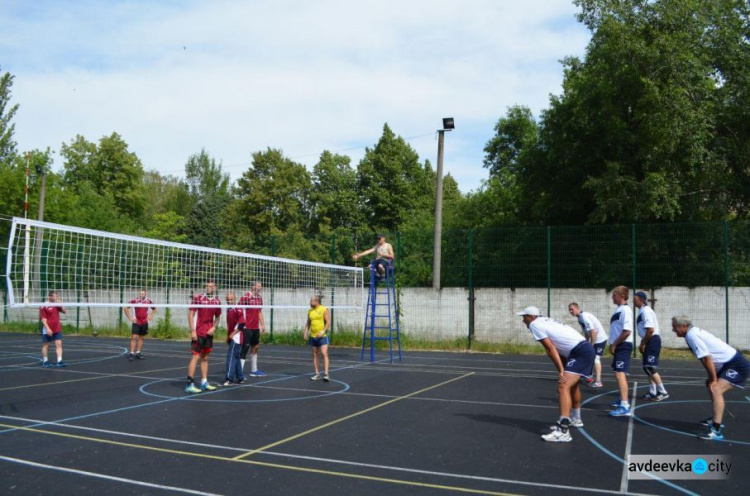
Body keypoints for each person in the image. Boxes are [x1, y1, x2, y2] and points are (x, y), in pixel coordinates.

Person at [518, 306, 595, 442]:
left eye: (524, 317)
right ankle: (575, 419)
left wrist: (560, 371)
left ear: (531, 317)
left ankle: (563, 431)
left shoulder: (535, 325)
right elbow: (558, 348)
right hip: (581, 350)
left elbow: (550, 348)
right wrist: (563, 368)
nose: (523, 320)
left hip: (580, 352)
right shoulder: (545, 320)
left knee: (563, 386)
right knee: (572, 385)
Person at [672, 315, 749, 440]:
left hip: (737, 365)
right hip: (727, 364)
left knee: (716, 389)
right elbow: (704, 358)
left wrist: (713, 379)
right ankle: (715, 418)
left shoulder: (692, 335)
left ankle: (716, 430)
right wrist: (711, 378)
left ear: (684, 326)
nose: (673, 329)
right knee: (711, 386)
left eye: (675, 327)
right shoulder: (691, 333)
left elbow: (707, 358)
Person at [185, 279, 221, 394]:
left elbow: (218, 317)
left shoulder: (217, 302)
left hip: (208, 334)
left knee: (205, 358)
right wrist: (192, 331)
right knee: (195, 357)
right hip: (198, 333)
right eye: (207, 286)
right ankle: (189, 384)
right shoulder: (199, 298)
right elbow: (191, 314)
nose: (208, 288)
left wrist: (214, 327)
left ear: (215, 287)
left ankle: (204, 382)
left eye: (211, 286)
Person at [634, 291, 669, 401]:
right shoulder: (642, 311)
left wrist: (643, 343)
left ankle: (663, 392)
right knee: (647, 367)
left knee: (649, 367)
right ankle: (653, 391)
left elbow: (650, 330)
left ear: (641, 300)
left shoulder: (646, 311)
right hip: (649, 339)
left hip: (652, 340)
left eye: (635, 299)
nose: (633, 301)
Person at [608, 285, 634, 417]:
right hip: (618, 345)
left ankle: (625, 405)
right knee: (617, 373)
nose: (613, 297)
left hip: (623, 345)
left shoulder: (625, 311)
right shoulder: (618, 310)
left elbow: (627, 331)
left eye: (615, 295)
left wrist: (615, 344)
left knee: (620, 374)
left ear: (622, 296)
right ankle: (622, 399)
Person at [568, 303, 607, 387]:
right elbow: (587, 332)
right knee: (589, 356)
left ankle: (598, 381)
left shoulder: (584, 317)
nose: (571, 311)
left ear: (577, 308)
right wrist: (586, 342)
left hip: (600, 339)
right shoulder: (580, 318)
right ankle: (589, 376)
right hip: (595, 339)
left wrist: (591, 345)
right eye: (569, 310)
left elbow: (593, 331)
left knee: (596, 359)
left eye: (572, 309)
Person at [239, 281, 267, 377]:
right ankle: (239, 372)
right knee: (245, 348)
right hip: (247, 327)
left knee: (255, 347)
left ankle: (254, 370)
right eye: (258, 285)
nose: (260, 287)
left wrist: (262, 325)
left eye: (260, 286)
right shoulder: (246, 297)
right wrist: (241, 323)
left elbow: (259, 312)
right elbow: (239, 310)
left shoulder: (259, 298)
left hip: (255, 327)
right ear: (253, 286)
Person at [123, 289, 157, 361]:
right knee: (134, 337)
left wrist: (150, 316)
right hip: (136, 322)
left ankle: (138, 353)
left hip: (144, 322)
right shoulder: (134, 301)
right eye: (140, 294)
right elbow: (125, 308)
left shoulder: (149, 301)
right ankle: (131, 353)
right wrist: (130, 317)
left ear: (145, 294)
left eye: (143, 294)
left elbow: (155, 308)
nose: (141, 295)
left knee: (141, 338)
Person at [304, 294, 331, 382]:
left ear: (316, 301)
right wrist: (305, 332)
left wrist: (323, 332)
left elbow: (328, 322)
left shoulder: (324, 309)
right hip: (313, 336)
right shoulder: (310, 311)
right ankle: (317, 374)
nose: (310, 302)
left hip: (322, 336)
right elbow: (308, 323)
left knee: (324, 353)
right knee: (315, 354)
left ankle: (326, 374)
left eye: (311, 301)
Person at [223, 292, 246, 386]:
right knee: (236, 358)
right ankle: (240, 377)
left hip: (237, 338)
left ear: (235, 299)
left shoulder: (238, 309)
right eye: (228, 300)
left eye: (231, 299)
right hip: (232, 338)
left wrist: (232, 334)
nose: (230, 301)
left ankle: (229, 379)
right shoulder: (228, 309)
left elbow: (242, 324)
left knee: (231, 358)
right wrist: (228, 337)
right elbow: (230, 326)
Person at [40, 291, 67, 368]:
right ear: (50, 296)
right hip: (48, 328)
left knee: (59, 344)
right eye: (55, 296)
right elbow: (43, 319)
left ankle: (59, 361)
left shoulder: (56, 304)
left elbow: (64, 311)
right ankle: (45, 361)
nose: (56, 298)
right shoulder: (44, 305)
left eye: (56, 296)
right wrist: (48, 329)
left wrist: (60, 303)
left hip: (57, 328)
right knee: (46, 345)